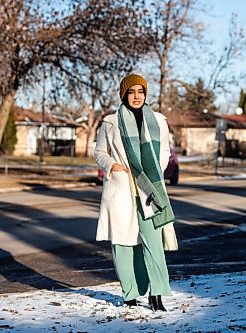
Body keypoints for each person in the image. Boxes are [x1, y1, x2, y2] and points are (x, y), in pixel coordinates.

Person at [94, 73, 178, 311]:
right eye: (132, 92)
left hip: (149, 191)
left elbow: (164, 152)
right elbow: (99, 153)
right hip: (122, 191)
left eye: (140, 92)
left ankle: (158, 294)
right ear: (124, 95)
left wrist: (153, 174)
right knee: (123, 245)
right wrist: (112, 165)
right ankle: (129, 293)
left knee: (154, 243)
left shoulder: (158, 121)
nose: (136, 97)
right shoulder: (110, 122)